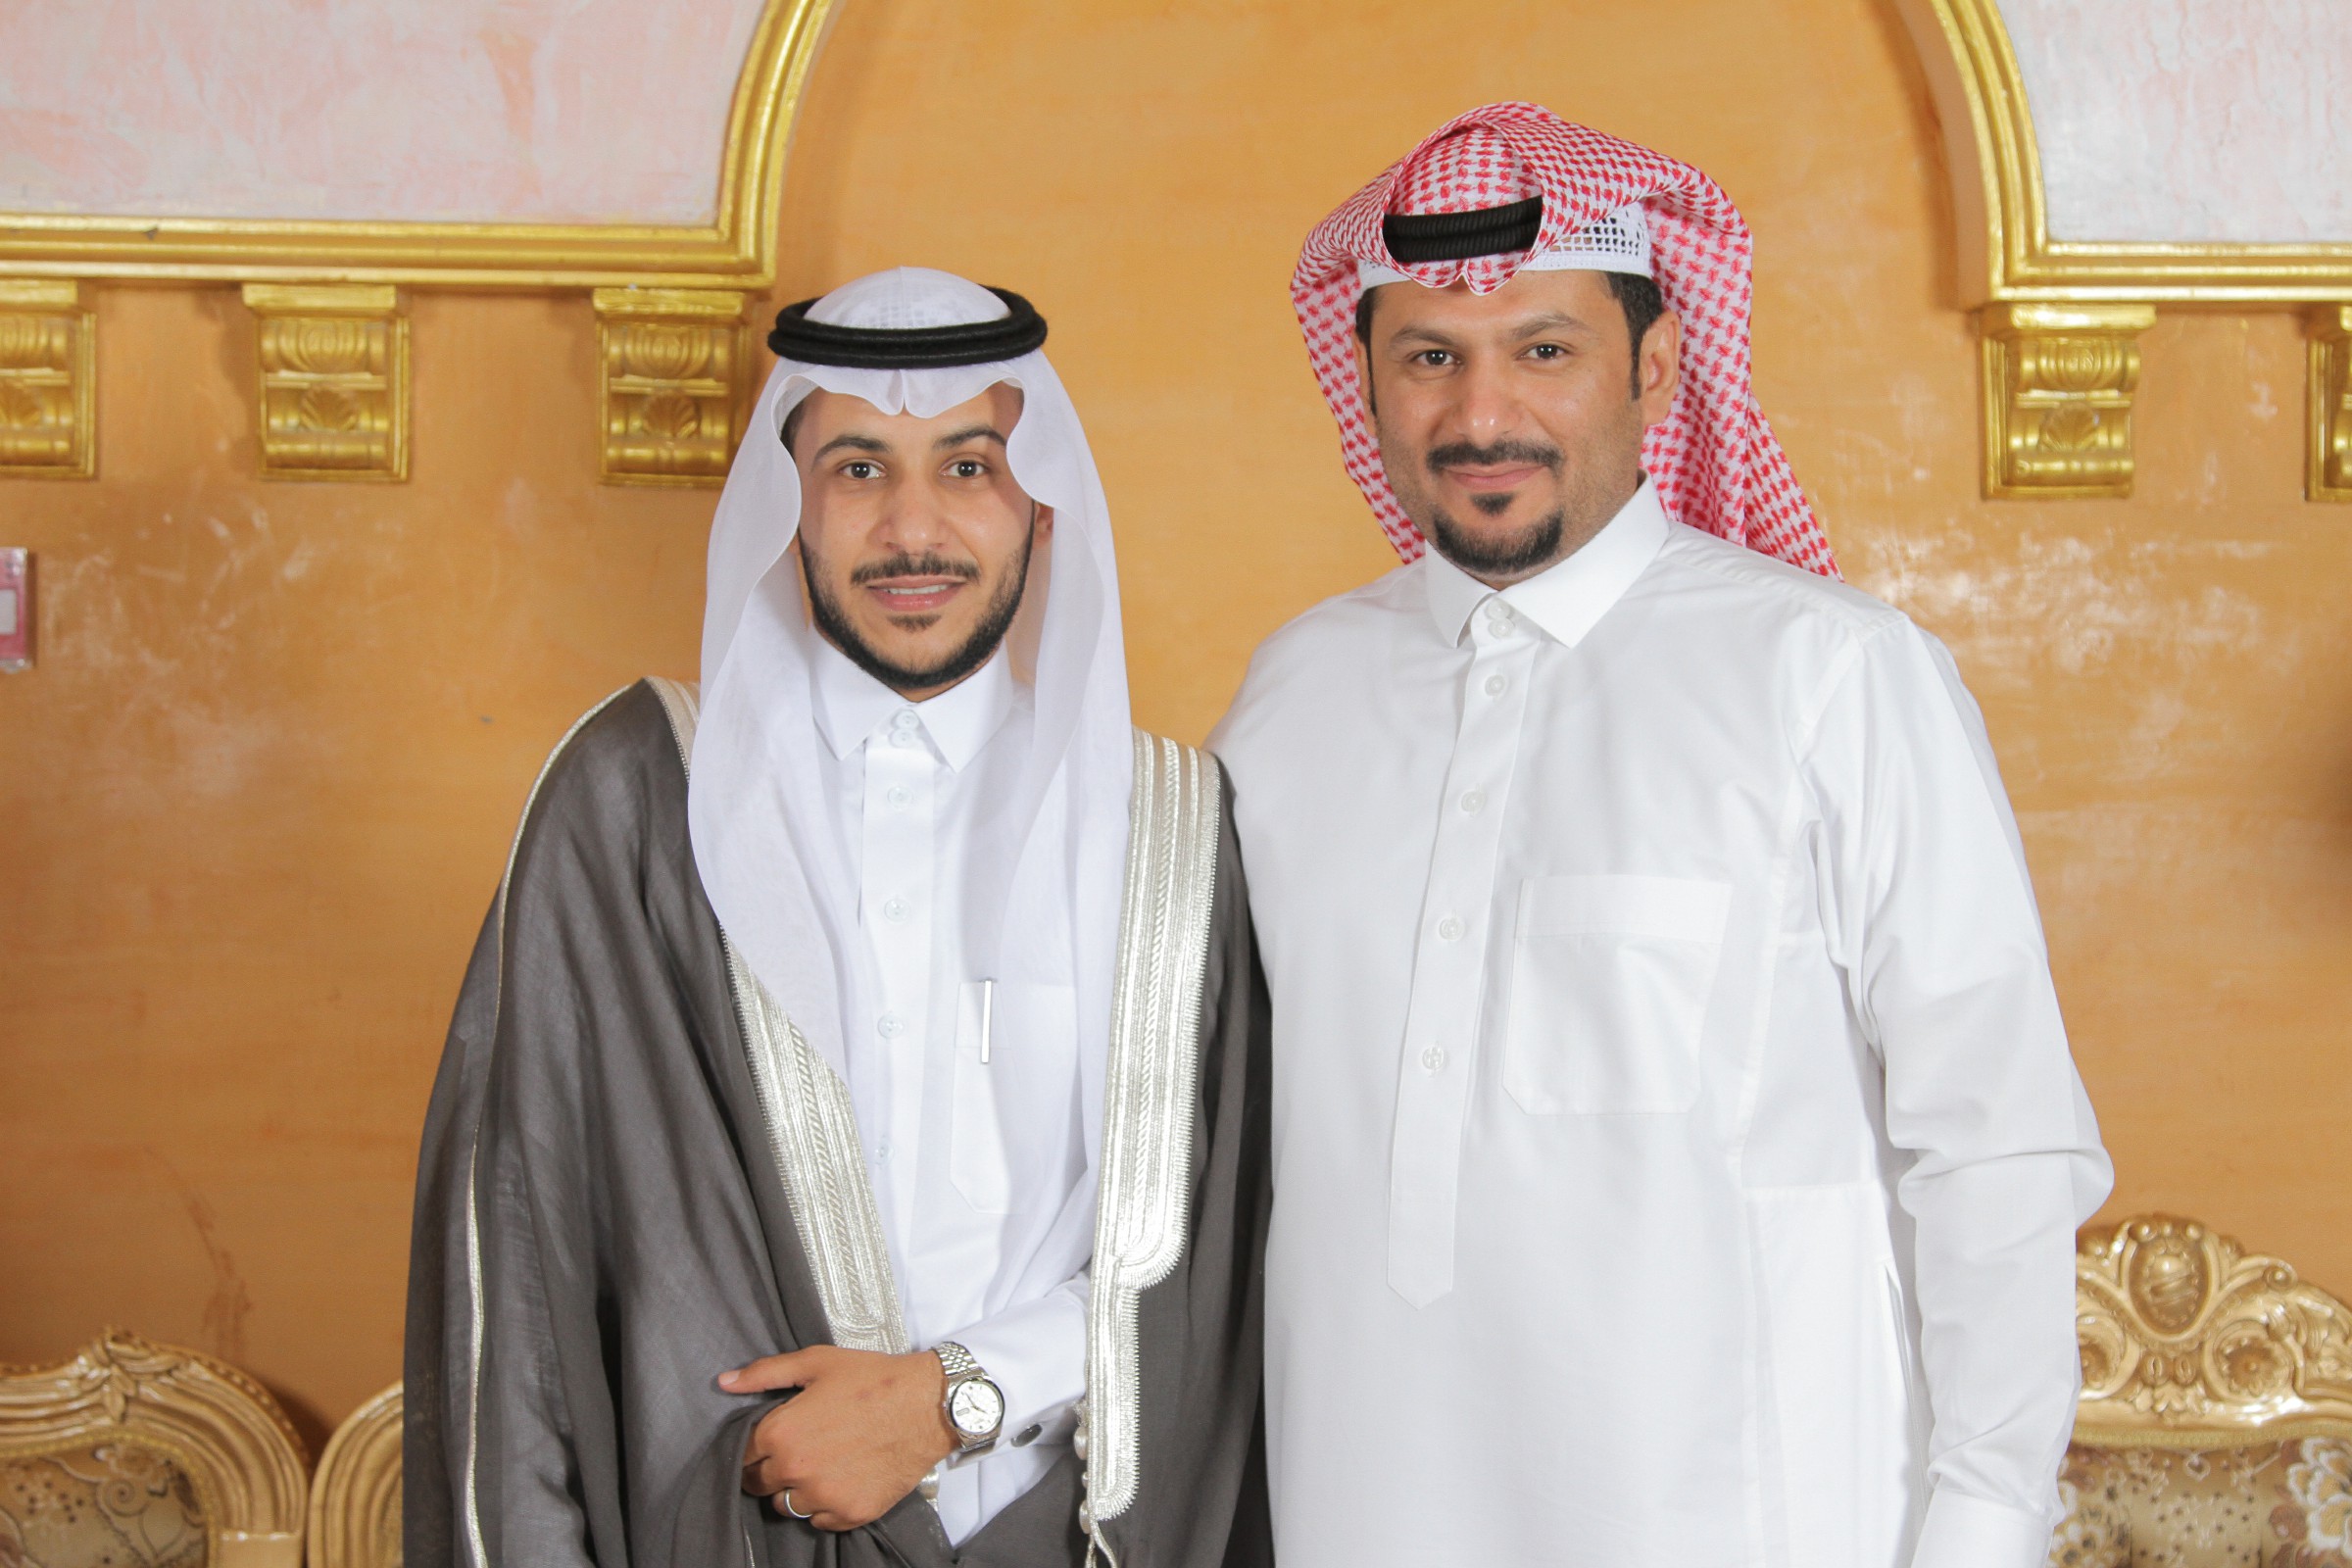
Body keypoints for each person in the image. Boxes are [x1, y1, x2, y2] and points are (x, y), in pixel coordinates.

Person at [1211, 103, 2111, 1568]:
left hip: (1754, 1519)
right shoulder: (1292, 696)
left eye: (1543, 350)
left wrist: (1987, 1522)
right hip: (1361, 1507)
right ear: (1364, 377)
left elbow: (1996, 1139)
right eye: (1429, 357)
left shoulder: (1831, 674)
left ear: (1659, 364)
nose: (1481, 415)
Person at [407, 268, 1271, 1568]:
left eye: (969, 467)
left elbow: (1221, 1250)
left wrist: (956, 1395)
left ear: (1040, 501)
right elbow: (514, 1267)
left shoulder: (1170, 831)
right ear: (790, 502)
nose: (913, 529)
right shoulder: (641, 802)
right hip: (728, 1532)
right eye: (858, 470)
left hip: (1075, 1535)